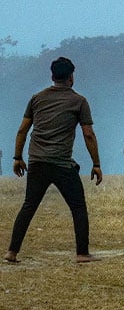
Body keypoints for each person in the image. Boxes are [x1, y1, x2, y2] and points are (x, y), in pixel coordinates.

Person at [4, 57, 102, 264]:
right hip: (61, 164)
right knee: (77, 206)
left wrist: (17, 157)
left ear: (52, 76)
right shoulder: (79, 101)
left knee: (29, 205)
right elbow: (89, 135)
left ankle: (12, 251)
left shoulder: (37, 98)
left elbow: (22, 130)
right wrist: (96, 164)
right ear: (71, 78)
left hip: (37, 161)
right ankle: (82, 253)